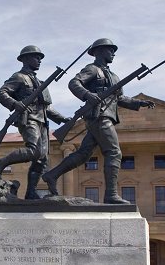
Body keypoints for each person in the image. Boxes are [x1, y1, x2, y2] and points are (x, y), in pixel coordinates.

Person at [41, 38, 155, 204]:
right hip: (99, 116)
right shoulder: (92, 69)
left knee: (83, 154)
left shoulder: (114, 76)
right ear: (99, 51)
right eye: (110, 50)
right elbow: (74, 83)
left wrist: (138, 103)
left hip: (105, 116)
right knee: (114, 152)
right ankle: (110, 195)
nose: (113, 53)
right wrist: (88, 95)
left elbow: (119, 98)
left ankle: (52, 175)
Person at [0, 45, 69, 199]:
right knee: (34, 151)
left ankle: (31, 192)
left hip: (42, 121)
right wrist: (14, 104)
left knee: (42, 159)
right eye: (35, 57)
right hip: (28, 118)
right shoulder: (19, 77)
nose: (39, 60)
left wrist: (62, 118)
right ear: (25, 59)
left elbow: (46, 108)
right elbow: (1, 93)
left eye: (40, 58)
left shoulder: (40, 82)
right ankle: (0, 163)